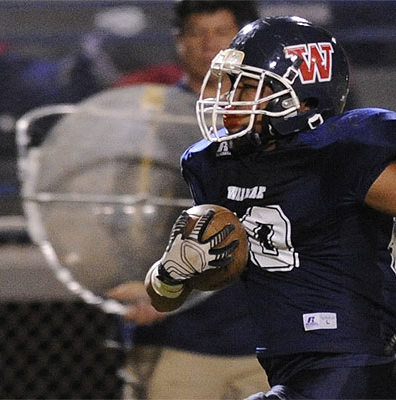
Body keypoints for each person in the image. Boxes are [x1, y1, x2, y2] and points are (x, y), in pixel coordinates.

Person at [144, 16, 396, 399]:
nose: (229, 98)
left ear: (302, 97)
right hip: (286, 365)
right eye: (231, 83)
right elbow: (165, 296)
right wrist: (170, 272)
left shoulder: (340, 154)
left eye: (248, 86)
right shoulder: (218, 164)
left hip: (355, 364)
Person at [107, 2, 269, 399]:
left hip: (269, 334)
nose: (208, 43)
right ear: (179, 41)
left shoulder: (278, 111)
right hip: (177, 335)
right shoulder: (149, 120)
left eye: (221, 32)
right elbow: (122, 217)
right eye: (197, 32)